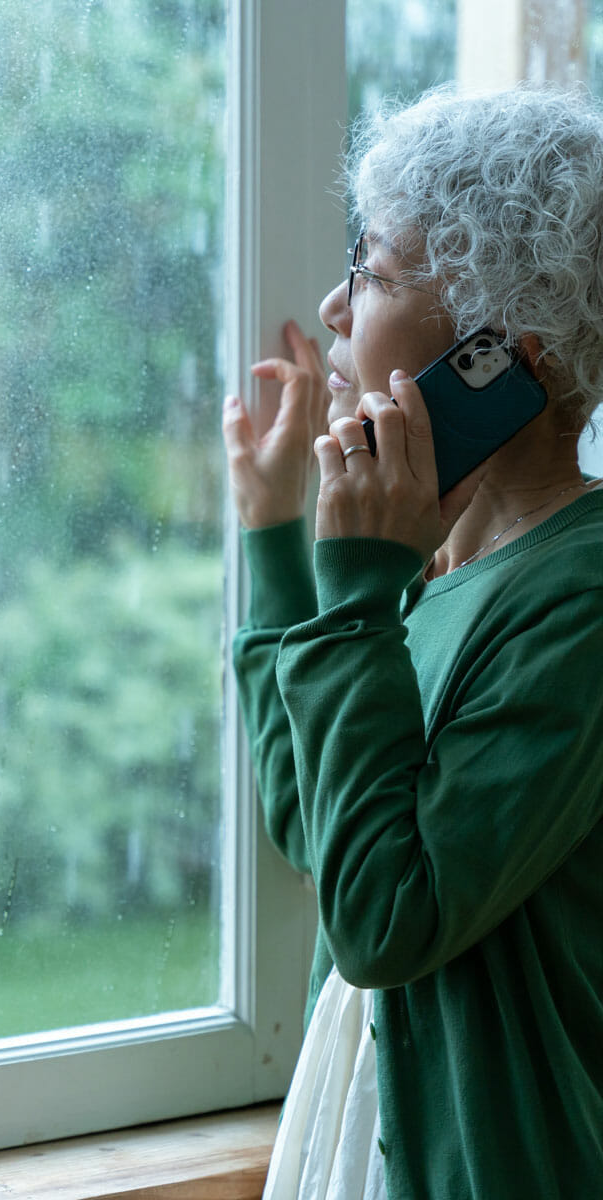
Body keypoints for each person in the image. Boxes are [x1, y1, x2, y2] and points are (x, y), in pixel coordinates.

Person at [222, 85, 603, 1199]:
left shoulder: (577, 599)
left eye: (377, 273)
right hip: (362, 1140)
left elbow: (384, 923)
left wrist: (347, 599)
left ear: (498, 351)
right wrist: (282, 548)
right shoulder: (425, 559)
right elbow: (316, 824)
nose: (337, 307)